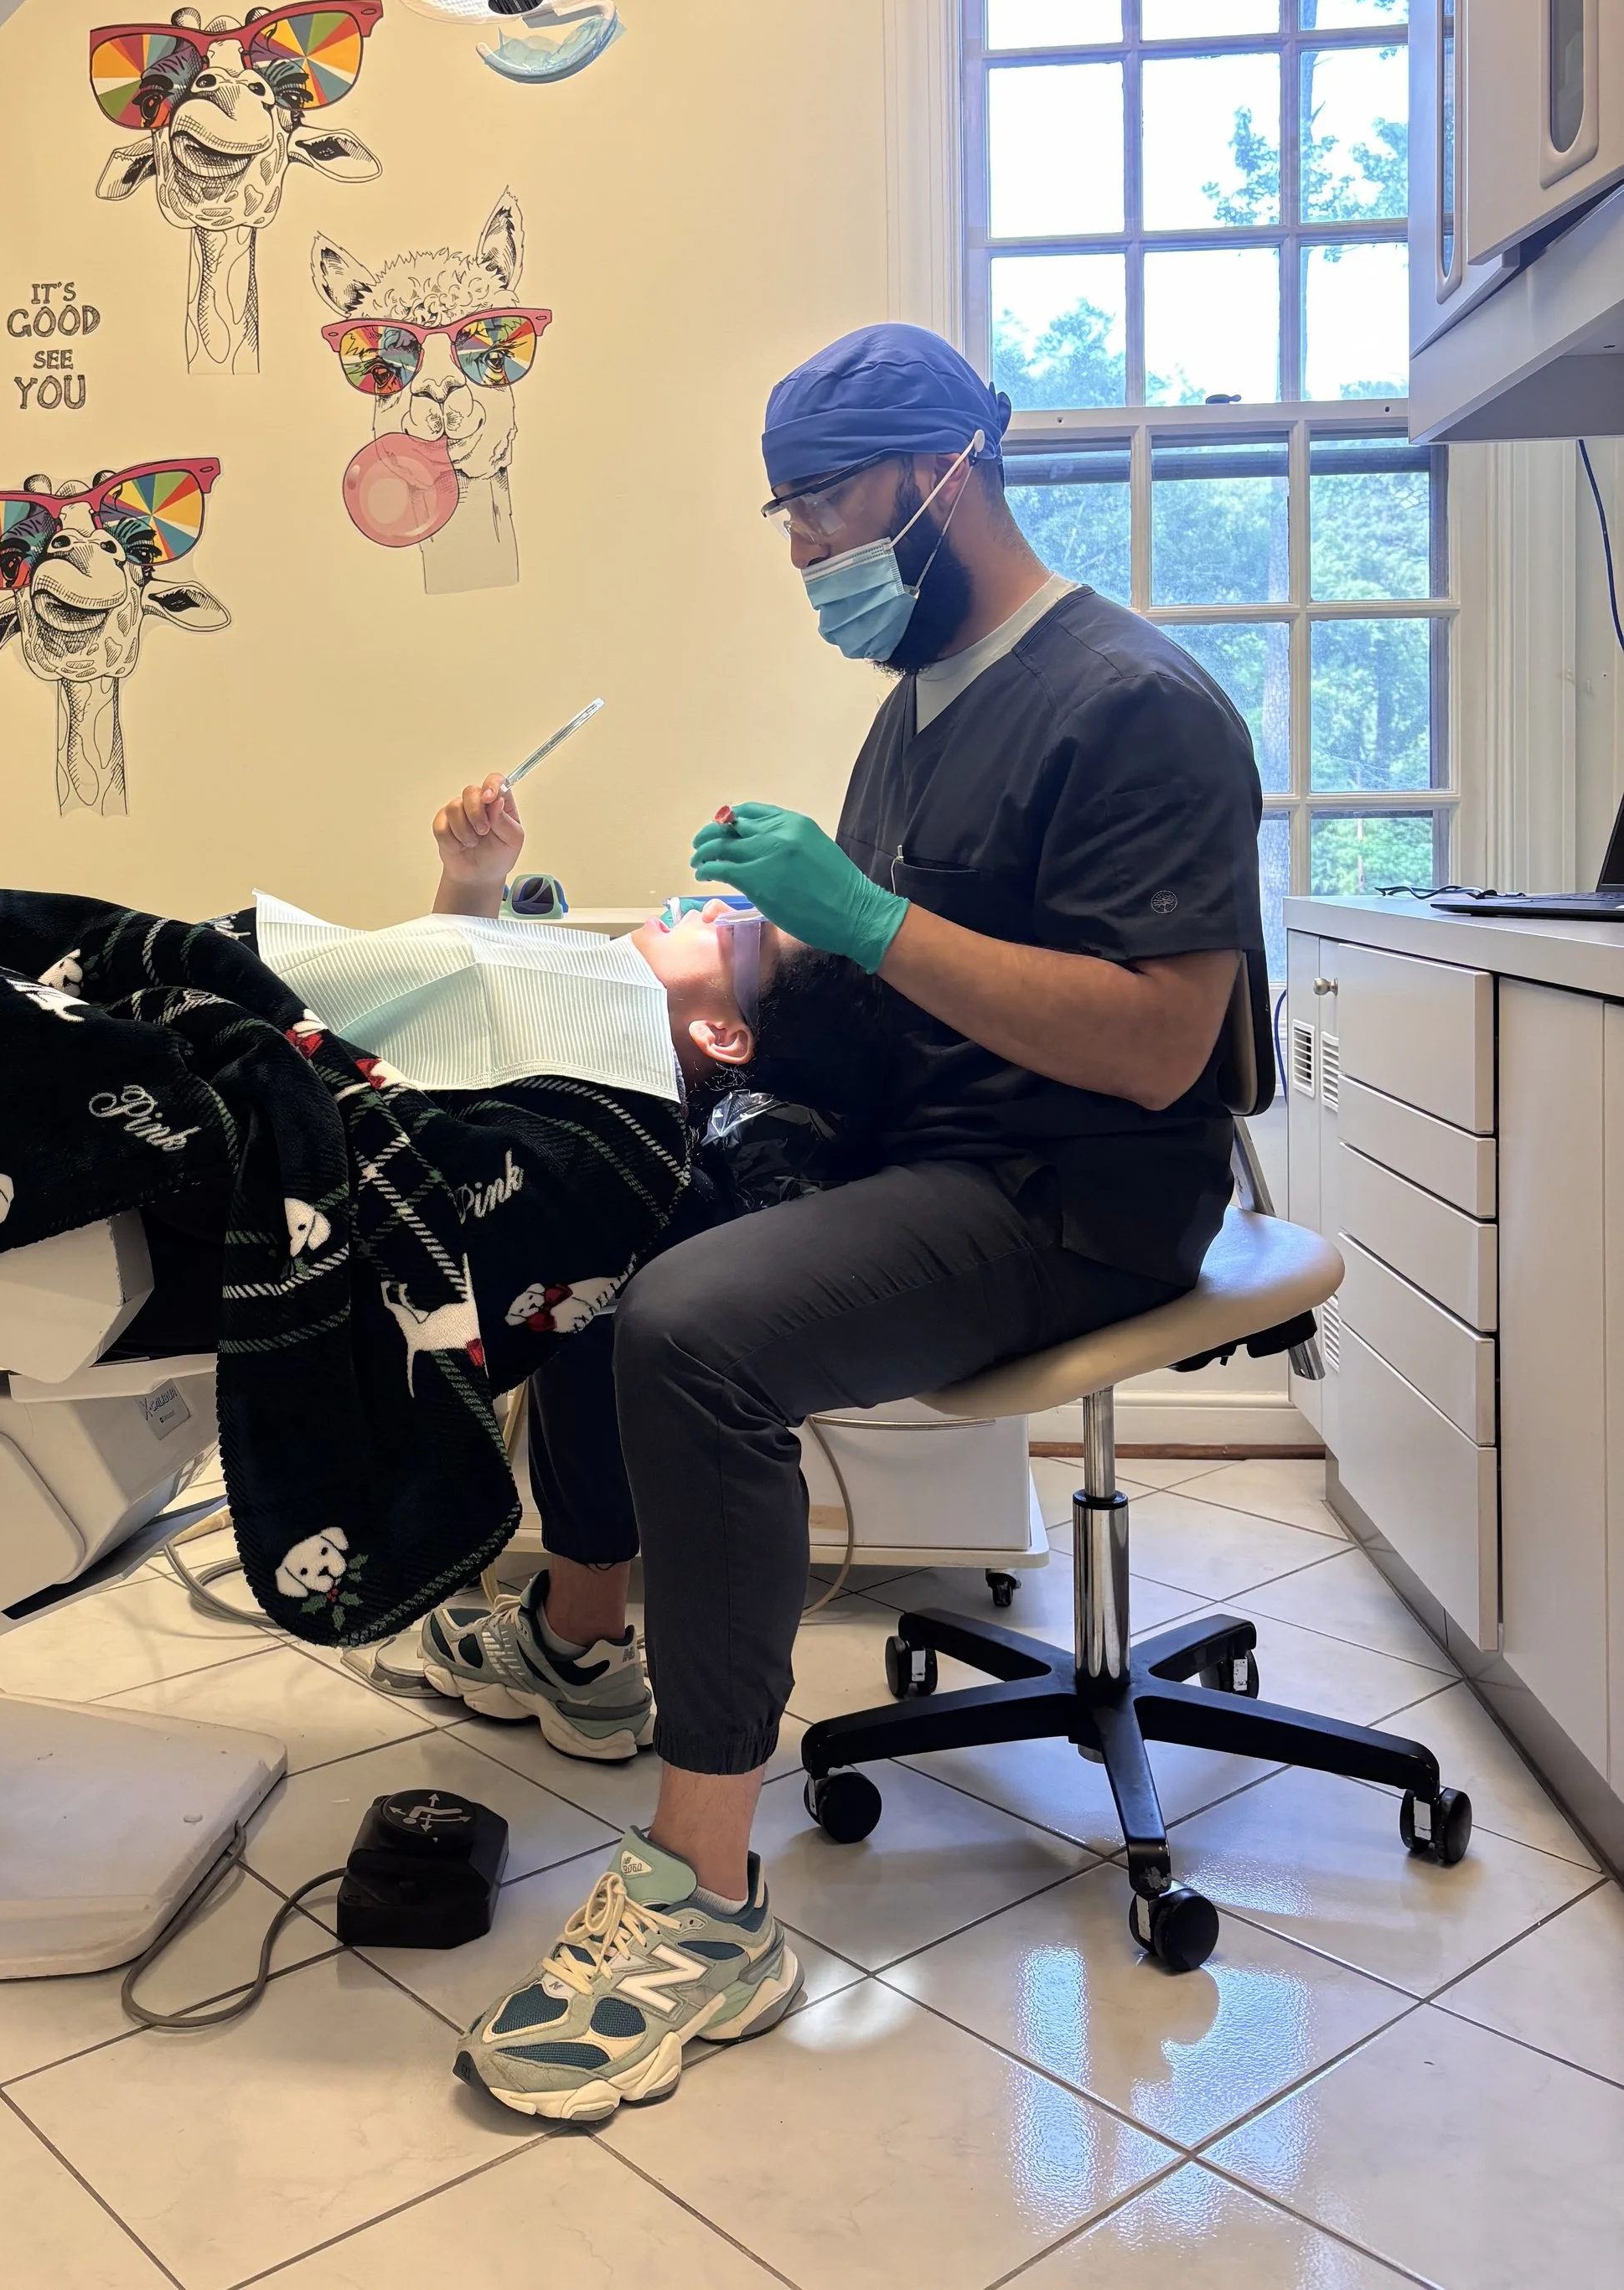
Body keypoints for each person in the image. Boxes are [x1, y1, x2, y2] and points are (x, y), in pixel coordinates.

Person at [454, 321, 1267, 2123]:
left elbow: (1151, 1045)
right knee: (591, 1217)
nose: (807, 551)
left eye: (828, 507)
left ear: (943, 469)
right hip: (923, 1151)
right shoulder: (910, 714)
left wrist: (865, 926)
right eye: (788, 517)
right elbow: (894, 991)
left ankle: (704, 1894)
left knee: (699, 1327)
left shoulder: (1135, 702)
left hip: (1076, 1195)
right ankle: (573, 1638)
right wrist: (729, 980)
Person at [415, 781, 897, 1761]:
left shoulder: (637, 1176)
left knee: (598, 1267)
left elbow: (413, 1046)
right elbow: (432, 1004)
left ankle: (575, 1640)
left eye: (735, 936)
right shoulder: (609, 1078)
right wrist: (470, 884)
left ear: (724, 1036)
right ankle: (571, 1639)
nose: (709, 905)